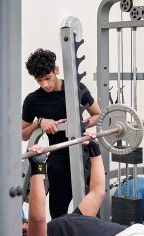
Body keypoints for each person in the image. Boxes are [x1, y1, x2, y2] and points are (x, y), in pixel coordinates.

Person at [22, 48, 101, 219]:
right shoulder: (33, 100)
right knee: (58, 215)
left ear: (56, 70)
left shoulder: (77, 89)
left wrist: (79, 124)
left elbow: (97, 115)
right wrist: (40, 122)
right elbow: (23, 134)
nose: (45, 85)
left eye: (48, 78)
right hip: (57, 161)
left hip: (83, 155)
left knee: (92, 212)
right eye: (39, 80)